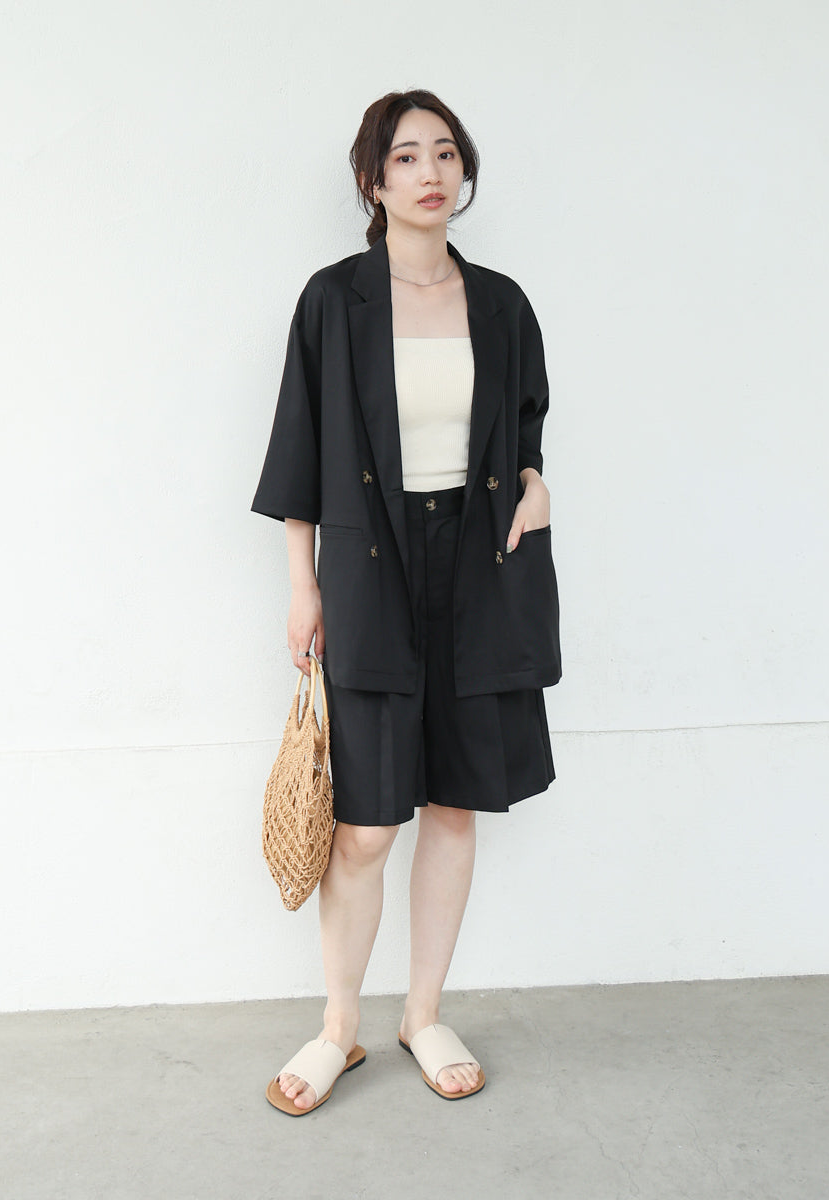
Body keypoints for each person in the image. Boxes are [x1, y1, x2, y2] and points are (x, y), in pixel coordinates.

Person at [251, 88, 561, 1115]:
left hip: (481, 565)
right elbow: (299, 449)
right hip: (369, 566)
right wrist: (303, 585)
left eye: (445, 154)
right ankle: (338, 1026)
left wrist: (535, 484)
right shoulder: (333, 301)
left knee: (455, 803)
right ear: (371, 181)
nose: (430, 173)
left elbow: (525, 431)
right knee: (366, 825)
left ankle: (422, 1014)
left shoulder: (501, 303)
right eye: (405, 158)